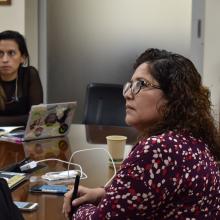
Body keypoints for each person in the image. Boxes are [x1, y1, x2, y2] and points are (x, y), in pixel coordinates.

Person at [63, 48, 220, 219]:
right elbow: (147, 193)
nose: (128, 94)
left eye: (141, 84)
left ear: (173, 96)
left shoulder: (160, 148)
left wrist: (77, 207)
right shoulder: (192, 138)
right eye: (130, 85)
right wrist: (103, 194)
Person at [0, 30, 43, 126]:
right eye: (0, 53)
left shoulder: (29, 74)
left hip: (24, 138)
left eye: (11, 53)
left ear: (22, 58)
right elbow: (30, 118)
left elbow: (37, 117)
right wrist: (24, 119)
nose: (5, 60)